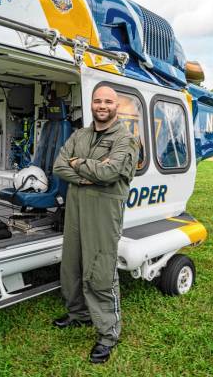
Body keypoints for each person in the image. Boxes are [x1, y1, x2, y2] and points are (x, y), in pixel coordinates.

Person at [52, 84, 139, 364]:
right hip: (77, 208)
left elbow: (110, 171)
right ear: (91, 104)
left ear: (116, 106)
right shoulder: (80, 134)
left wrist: (79, 163)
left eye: (108, 102)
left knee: (100, 269)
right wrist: (86, 173)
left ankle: (107, 333)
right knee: (72, 264)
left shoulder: (125, 139)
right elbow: (59, 166)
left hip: (103, 211)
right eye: (97, 101)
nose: (102, 106)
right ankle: (78, 314)